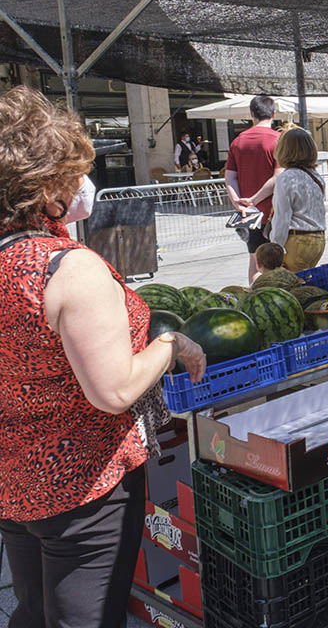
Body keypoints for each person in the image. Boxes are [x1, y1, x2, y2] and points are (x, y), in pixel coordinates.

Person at [0, 87, 205, 628]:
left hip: (15, 479)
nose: (81, 185)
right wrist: (170, 344)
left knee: (33, 612)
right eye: (74, 174)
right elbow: (114, 391)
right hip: (84, 487)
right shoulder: (67, 268)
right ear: (46, 187)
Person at [225, 95, 282, 285]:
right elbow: (278, 177)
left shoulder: (237, 142)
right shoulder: (278, 140)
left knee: (256, 262)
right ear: (274, 114)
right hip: (276, 213)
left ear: (251, 114)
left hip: (249, 216)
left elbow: (230, 178)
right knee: (280, 263)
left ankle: (255, 295)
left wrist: (239, 204)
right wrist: (255, 199)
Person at [268, 128, 326, 272]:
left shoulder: (286, 178)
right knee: (307, 281)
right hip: (318, 239)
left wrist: (276, 247)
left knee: (293, 283)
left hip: (296, 240)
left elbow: (282, 218)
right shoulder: (316, 177)